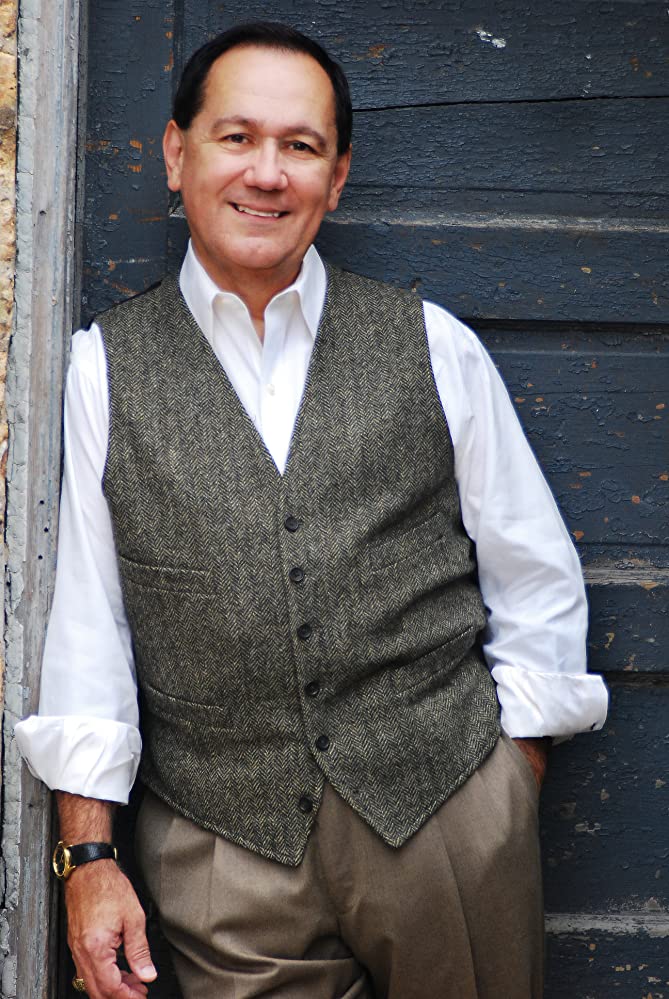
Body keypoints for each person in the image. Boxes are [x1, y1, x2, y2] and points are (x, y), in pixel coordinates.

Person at [15, 21, 608, 999]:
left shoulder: (433, 345)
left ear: (336, 179)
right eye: (236, 137)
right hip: (222, 855)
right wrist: (89, 858)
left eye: (300, 145)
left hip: (446, 821)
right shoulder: (101, 369)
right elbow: (89, 630)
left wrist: (504, 790)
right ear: (176, 154)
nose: (267, 172)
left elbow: (533, 576)